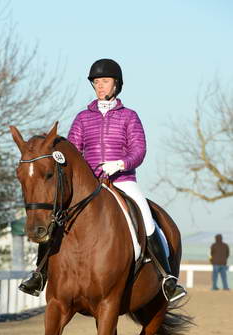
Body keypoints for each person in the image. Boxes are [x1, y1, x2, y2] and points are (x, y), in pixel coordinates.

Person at [20, 58, 186, 302]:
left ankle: (166, 277)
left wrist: (120, 164)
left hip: (122, 180)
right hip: (90, 184)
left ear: (116, 85)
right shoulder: (82, 118)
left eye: (105, 81)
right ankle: (40, 274)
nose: (100, 86)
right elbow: (73, 151)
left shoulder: (129, 116)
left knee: (147, 218)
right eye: (96, 82)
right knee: (56, 218)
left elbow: (139, 150)